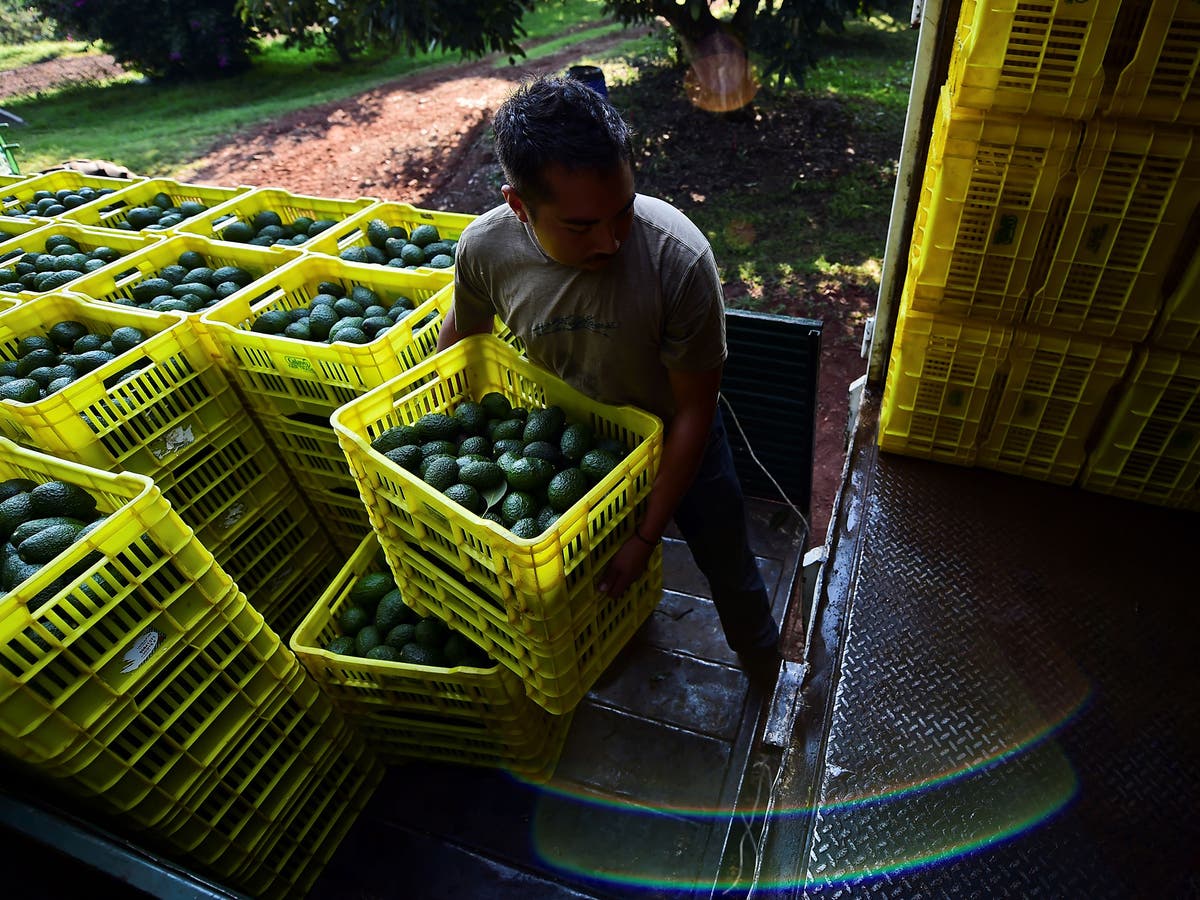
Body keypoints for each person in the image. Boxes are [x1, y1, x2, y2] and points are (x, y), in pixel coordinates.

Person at [435, 75, 780, 676]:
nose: (612, 240)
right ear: (519, 205)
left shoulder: (678, 257)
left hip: (678, 435)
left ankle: (764, 663)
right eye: (581, 226)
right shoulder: (485, 249)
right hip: (575, 447)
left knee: (727, 559)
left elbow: (697, 408)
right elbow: (461, 341)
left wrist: (646, 537)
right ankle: (625, 641)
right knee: (598, 579)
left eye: (622, 213)